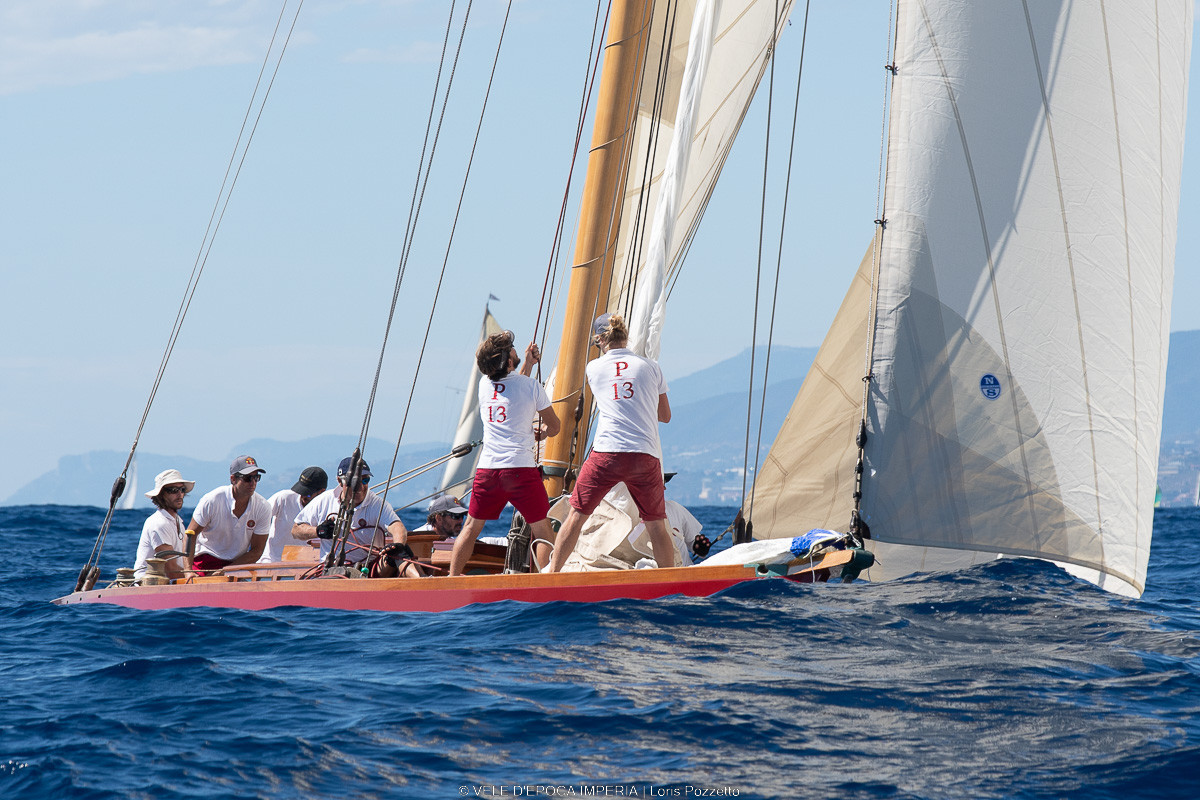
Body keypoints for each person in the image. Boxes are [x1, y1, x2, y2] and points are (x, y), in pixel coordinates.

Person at [548, 313, 674, 572]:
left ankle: (553, 574)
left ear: (599, 340)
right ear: (625, 336)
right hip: (644, 455)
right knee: (656, 524)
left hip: (607, 454)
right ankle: (669, 579)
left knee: (576, 516)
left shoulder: (593, 368)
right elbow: (665, 416)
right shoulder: (651, 367)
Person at [449, 330, 561, 576]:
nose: (514, 349)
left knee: (470, 528)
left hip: (488, 471)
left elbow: (510, 391)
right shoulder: (531, 387)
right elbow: (555, 427)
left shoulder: (484, 385)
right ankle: (548, 581)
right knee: (543, 531)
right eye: (512, 348)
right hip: (520, 470)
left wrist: (528, 364)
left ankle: (452, 578)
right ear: (509, 361)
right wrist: (542, 432)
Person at [292, 456, 412, 569]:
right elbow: (296, 530)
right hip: (331, 569)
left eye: (365, 480)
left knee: (402, 551)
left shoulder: (377, 504)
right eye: (354, 482)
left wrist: (399, 545)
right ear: (340, 481)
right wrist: (319, 531)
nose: (360, 487)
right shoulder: (324, 500)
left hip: (368, 569)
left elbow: (396, 526)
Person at [187, 455, 272, 572]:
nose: (253, 483)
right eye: (247, 478)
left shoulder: (263, 507)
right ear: (233, 479)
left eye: (256, 478)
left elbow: (257, 550)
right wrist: (187, 572)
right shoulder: (212, 500)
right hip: (205, 560)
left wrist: (227, 570)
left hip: (238, 563)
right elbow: (190, 535)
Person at [133, 468, 196, 580]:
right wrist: (201, 577)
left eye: (182, 489)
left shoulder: (178, 521)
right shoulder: (159, 523)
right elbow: (171, 571)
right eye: (173, 490)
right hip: (147, 585)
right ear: (161, 495)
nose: (180, 494)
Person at [258, 466, 328, 563]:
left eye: (307, 494)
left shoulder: (327, 509)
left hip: (306, 568)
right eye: (301, 491)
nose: (303, 496)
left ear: (321, 492)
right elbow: (258, 516)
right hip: (272, 561)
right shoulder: (283, 498)